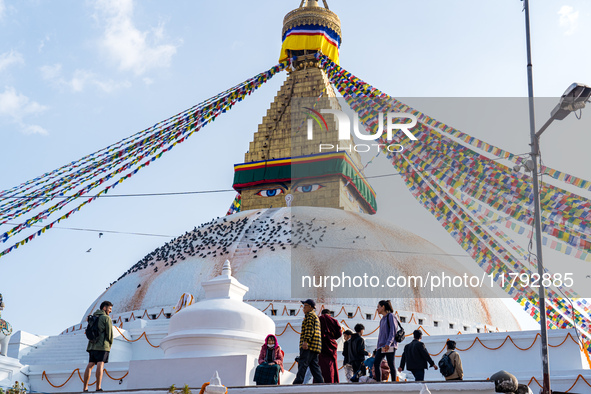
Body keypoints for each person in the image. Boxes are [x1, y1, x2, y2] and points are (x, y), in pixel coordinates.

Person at [83, 301, 114, 392]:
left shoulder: (93, 317)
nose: (110, 311)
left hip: (92, 345)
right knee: (100, 364)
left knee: (90, 365)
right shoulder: (106, 318)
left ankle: (85, 388)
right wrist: (110, 344)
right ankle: (98, 387)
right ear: (104, 308)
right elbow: (109, 334)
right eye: (109, 309)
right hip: (102, 346)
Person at [293, 299, 324, 384]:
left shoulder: (309, 315)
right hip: (315, 346)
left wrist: (306, 341)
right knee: (314, 367)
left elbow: (309, 329)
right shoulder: (315, 316)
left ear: (310, 307)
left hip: (309, 345)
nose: (303, 308)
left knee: (303, 364)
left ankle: (297, 382)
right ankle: (320, 383)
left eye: (305, 306)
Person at [373, 300, 398, 382]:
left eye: (378, 307)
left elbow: (393, 331)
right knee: (376, 363)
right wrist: (378, 347)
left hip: (389, 345)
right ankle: (379, 382)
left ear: (383, 307)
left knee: (391, 364)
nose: (377, 309)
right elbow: (381, 335)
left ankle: (394, 382)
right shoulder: (382, 319)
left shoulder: (391, 316)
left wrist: (388, 343)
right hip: (381, 346)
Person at [318, 309, 342, 383]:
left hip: (320, 345)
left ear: (322, 314)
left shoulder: (318, 319)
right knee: (331, 366)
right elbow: (339, 334)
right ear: (330, 315)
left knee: (319, 366)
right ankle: (331, 381)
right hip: (331, 346)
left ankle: (318, 382)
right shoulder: (334, 321)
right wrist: (332, 337)